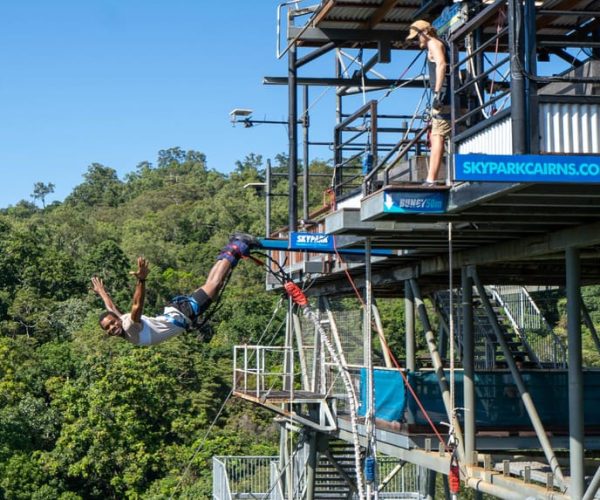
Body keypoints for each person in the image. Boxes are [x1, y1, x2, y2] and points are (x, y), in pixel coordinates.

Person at [92, 233, 258, 346]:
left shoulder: (129, 327)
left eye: (112, 323)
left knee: (214, 285)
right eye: (108, 328)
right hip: (177, 312)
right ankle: (231, 249)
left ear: (117, 320)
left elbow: (136, 306)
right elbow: (111, 309)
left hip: (182, 313)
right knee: (213, 286)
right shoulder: (124, 324)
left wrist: (141, 280)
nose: (112, 327)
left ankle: (236, 246)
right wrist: (102, 293)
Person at [406, 20, 452, 185]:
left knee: (437, 136)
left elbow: (441, 64)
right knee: (450, 135)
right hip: (450, 96)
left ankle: (431, 179)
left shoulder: (433, 43)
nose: (417, 39)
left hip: (444, 97)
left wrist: (437, 94)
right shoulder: (443, 44)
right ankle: (452, 177)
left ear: (425, 32)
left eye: (418, 35)